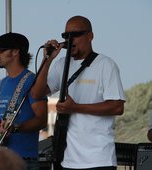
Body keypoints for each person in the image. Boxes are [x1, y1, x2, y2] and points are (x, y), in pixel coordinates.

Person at [30, 15, 126, 170]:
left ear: (90, 36)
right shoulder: (61, 65)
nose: (70, 39)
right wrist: (47, 60)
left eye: (76, 35)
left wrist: (75, 108)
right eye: (66, 36)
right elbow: (36, 93)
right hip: (66, 160)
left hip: (98, 160)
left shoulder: (105, 65)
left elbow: (117, 107)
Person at [0, 32, 48, 170]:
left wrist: (16, 127)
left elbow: (42, 120)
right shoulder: (4, 82)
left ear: (15, 52)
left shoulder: (31, 81)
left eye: (1, 50)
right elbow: (7, 119)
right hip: (3, 158)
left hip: (24, 161)